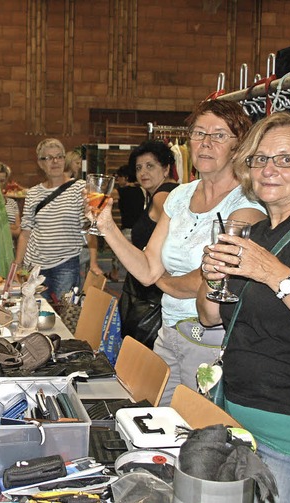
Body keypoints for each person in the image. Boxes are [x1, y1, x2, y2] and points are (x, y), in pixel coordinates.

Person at [197, 113, 290, 503]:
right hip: (235, 420)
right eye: (260, 159)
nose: (270, 169)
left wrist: (275, 274)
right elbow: (209, 317)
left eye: (287, 159)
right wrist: (212, 276)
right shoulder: (253, 233)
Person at [93, 100, 266, 405]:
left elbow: (210, 279)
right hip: (167, 331)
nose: (206, 143)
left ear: (239, 147)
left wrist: (165, 281)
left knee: (199, 430)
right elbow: (147, 269)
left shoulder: (247, 206)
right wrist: (107, 227)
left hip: (210, 339)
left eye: (219, 135)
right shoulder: (179, 195)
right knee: (154, 417)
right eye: (199, 133)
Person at [15, 138, 101, 302]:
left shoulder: (80, 188)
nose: (55, 161)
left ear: (64, 159)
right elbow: (25, 233)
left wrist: (94, 262)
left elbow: (89, 226)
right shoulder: (33, 193)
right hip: (35, 266)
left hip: (66, 264)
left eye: (59, 156)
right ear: (40, 164)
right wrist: (18, 266)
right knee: (37, 311)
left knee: (65, 313)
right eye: (48, 158)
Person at [119, 141, 178, 346]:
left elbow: (177, 224)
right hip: (149, 291)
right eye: (138, 168)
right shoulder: (161, 194)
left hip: (152, 296)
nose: (143, 172)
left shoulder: (163, 195)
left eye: (150, 166)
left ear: (166, 168)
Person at [0, 161, 21, 242]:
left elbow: (18, 230)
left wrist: (2, 227)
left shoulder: (12, 203)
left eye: (2, 181)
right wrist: (11, 226)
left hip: (11, 247)